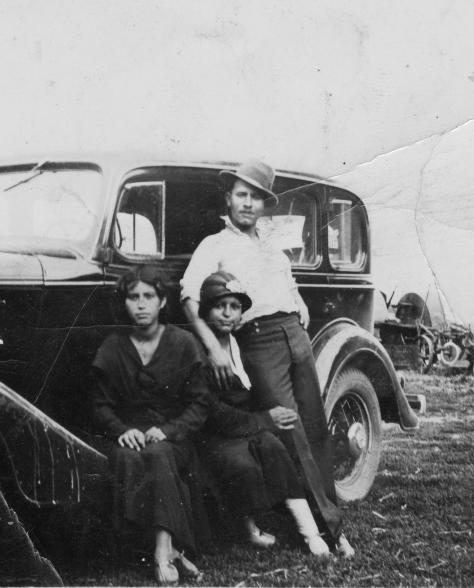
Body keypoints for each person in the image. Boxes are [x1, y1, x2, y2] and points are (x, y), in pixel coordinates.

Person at [181, 160, 353, 557]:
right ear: (229, 199)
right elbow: (189, 296)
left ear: (264, 205)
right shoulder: (215, 245)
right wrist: (210, 343)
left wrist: (299, 303)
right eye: (241, 195)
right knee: (291, 432)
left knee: (315, 429)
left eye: (256, 197)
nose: (248, 203)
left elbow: (287, 284)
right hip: (259, 341)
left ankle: (330, 518)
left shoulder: (272, 247)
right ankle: (327, 531)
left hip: (296, 336)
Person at [197, 270, 331, 555]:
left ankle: (309, 532)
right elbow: (210, 410)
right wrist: (264, 419)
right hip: (215, 433)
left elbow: (254, 392)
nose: (227, 314)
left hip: (245, 428)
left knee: (276, 448)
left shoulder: (238, 346)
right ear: (205, 311)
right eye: (219, 306)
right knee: (240, 464)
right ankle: (247, 528)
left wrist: (271, 414)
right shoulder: (200, 350)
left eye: (234, 307)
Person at [91, 266, 210, 584]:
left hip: (173, 438)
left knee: (158, 454)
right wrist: (121, 430)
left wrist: (170, 430)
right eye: (133, 297)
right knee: (129, 457)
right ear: (125, 302)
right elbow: (99, 406)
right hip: (129, 437)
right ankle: (170, 550)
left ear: (161, 302)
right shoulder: (114, 346)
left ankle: (160, 551)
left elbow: (200, 404)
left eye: (148, 296)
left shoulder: (184, 342)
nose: (141, 304)